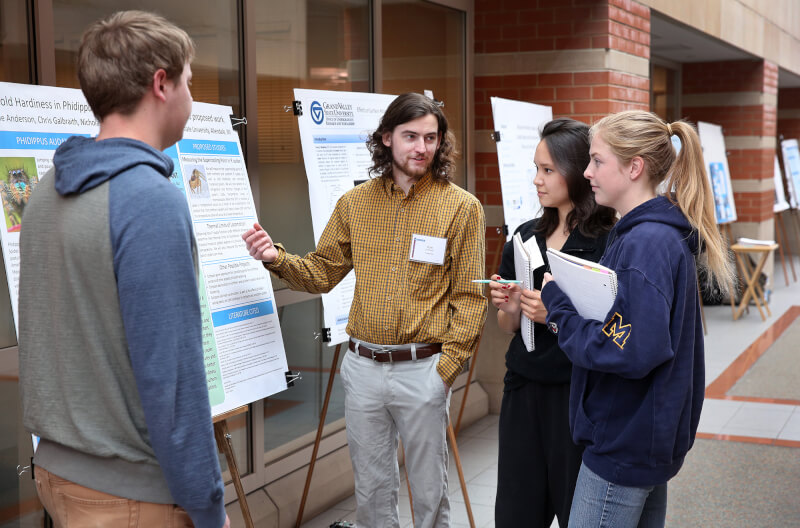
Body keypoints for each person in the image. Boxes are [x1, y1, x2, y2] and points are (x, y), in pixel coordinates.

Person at [18, 11, 228, 528]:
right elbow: (172, 375)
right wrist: (208, 506)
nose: (191, 99)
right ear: (161, 84)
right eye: (189, 84)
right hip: (132, 494)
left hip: (58, 474)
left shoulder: (46, 191)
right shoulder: (150, 200)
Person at [242, 92, 487, 527]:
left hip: (423, 369)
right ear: (387, 138)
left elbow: (469, 297)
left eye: (431, 138)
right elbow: (321, 273)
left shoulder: (461, 207)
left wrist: (446, 369)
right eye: (411, 136)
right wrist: (274, 258)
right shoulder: (355, 204)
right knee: (372, 493)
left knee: (430, 496)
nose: (422, 148)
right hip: (363, 368)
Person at [540, 110, 733, 528]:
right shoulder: (650, 234)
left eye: (597, 160)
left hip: (624, 442)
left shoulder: (645, 243)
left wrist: (558, 305)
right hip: (643, 434)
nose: (587, 172)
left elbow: (627, 349)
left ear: (634, 167)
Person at [489, 118, 615, 527]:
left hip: (577, 393)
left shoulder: (607, 242)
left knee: (574, 505)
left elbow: (611, 327)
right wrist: (508, 305)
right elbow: (508, 328)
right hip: (524, 389)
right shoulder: (524, 237)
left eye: (548, 170)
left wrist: (554, 314)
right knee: (516, 507)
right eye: (536, 169)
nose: (537, 180)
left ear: (578, 172)